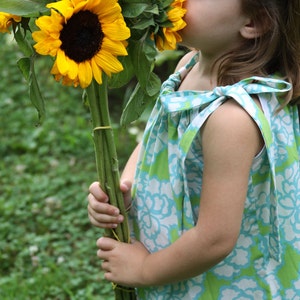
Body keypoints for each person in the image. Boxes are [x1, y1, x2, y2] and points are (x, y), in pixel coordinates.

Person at [88, 0, 300, 298]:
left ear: (254, 23)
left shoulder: (232, 118)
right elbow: (157, 138)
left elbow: (215, 239)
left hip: (217, 282)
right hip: (178, 258)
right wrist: (125, 188)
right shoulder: (189, 64)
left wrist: (145, 269)